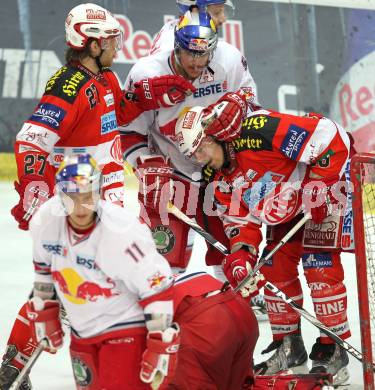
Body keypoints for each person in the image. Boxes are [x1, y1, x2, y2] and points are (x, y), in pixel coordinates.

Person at [1, 154, 259, 390]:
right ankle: (15, 363)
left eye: (86, 195)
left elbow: (155, 287)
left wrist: (159, 344)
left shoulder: (121, 231)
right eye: (70, 195)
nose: (79, 207)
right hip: (205, 309)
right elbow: (45, 273)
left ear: (97, 191)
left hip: (176, 319)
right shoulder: (49, 221)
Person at [175, 103, 352, 386]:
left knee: (320, 269)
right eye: (191, 155)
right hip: (283, 206)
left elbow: (331, 135)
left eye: (199, 149)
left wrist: (321, 184)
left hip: (323, 191)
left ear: (212, 136)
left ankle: (333, 349)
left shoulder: (260, 132)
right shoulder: (216, 176)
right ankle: (289, 346)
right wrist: (242, 256)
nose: (198, 159)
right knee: (272, 268)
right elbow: (240, 223)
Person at [10, 2, 195, 231]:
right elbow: (31, 141)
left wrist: (150, 94)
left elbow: (117, 113)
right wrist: (34, 185)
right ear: (94, 46)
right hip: (80, 199)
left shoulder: (106, 77)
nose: (116, 48)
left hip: (106, 192)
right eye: (110, 41)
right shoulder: (67, 86)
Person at [121, 10, 258, 280]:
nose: (197, 62)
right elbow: (128, 131)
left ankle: (235, 302)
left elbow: (253, 104)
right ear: (177, 46)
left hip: (219, 171)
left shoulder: (229, 61)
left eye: (204, 54)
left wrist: (242, 106)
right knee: (163, 261)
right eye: (191, 54)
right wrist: (145, 165)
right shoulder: (147, 74)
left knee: (233, 256)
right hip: (170, 175)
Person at [149, 0, 235, 55]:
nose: (223, 19)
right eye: (217, 13)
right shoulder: (169, 48)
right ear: (194, 12)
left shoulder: (178, 29)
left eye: (223, 11)